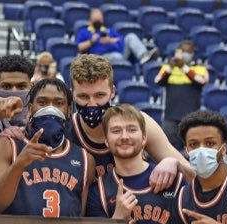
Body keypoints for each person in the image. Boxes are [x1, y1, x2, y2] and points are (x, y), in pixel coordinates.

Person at [66, 54, 193, 186]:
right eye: (83, 96)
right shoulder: (65, 129)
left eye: (99, 95)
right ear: (72, 95)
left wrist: (176, 164)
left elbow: (195, 178)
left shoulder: (138, 123)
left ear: (113, 92)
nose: (92, 104)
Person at [0, 78, 94, 217]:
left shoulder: (85, 160)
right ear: (30, 109)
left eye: (59, 103)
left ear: (68, 111)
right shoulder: (5, 145)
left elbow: (82, 220)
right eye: (42, 102)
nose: (50, 108)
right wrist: (19, 164)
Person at [155, 40, 208, 149]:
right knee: (169, 150)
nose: (185, 54)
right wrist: (170, 68)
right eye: (182, 51)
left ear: (192, 54)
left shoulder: (200, 68)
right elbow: (158, 81)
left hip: (191, 118)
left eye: (187, 51)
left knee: (191, 150)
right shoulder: (167, 67)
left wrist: (184, 68)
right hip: (170, 118)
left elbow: (202, 81)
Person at [75, 8, 158, 64]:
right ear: (90, 20)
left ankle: (144, 57)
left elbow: (120, 39)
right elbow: (79, 47)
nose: (98, 18)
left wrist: (110, 40)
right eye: (95, 16)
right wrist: (91, 41)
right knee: (116, 56)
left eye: (99, 16)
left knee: (130, 36)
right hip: (100, 58)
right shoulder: (85, 31)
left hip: (120, 54)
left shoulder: (109, 30)